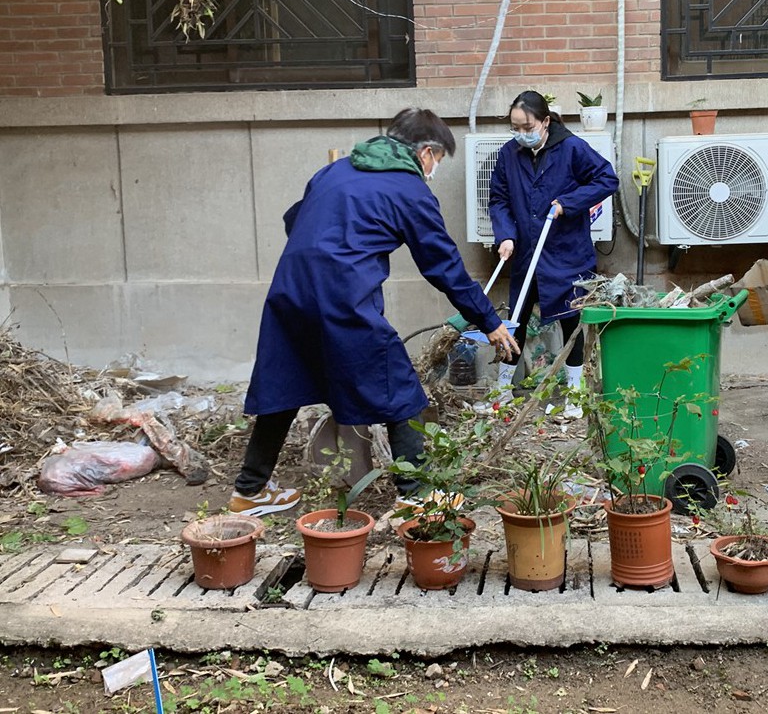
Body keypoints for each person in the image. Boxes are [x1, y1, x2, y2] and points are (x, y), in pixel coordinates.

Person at [230, 108, 520, 517]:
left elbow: (295, 219)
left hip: (290, 289)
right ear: (426, 153)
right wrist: (488, 320)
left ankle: (249, 490)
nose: (434, 169)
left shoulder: (334, 172)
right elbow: (443, 265)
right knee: (400, 389)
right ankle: (416, 497)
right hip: (342, 296)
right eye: (437, 160)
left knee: (285, 386)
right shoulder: (409, 189)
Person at [483, 90, 619, 418]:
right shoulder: (508, 155)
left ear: (545, 122)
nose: (521, 134)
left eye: (526, 126)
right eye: (515, 128)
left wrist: (567, 203)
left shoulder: (571, 148)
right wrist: (506, 235)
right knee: (514, 320)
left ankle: (574, 394)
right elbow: (499, 199)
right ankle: (501, 394)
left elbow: (606, 179)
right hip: (527, 252)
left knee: (570, 320)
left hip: (566, 252)